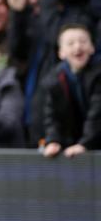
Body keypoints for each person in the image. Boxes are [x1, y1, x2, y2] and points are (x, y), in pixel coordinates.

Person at [41, 23, 101, 158]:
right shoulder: (54, 79)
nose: (78, 46)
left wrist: (85, 144)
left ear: (92, 47)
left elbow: (97, 115)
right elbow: (52, 117)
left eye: (83, 41)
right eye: (70, 43)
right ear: (61, 52)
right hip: (73, 146)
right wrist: (53, 140)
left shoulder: (98, 75)